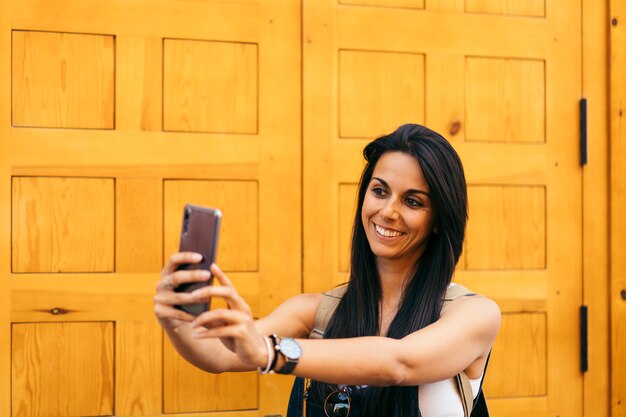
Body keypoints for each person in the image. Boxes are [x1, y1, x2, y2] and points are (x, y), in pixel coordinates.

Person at [154, 123, 501, 417]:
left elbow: (399, 362)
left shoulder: (473, 314)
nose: (388, 211)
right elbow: (217, 355)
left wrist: (271, 351)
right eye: (379, 191)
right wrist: (177, 321)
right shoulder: (317, 312)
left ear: (439, 219)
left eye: (412, 201)